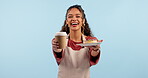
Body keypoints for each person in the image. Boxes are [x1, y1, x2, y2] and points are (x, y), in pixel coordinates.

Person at [52, 5, 102, 78]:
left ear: (83, 21)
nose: (74, 19)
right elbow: (58, 52)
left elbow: (93, 56)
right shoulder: (61, 40)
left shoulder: (90, 41)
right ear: (66, 21)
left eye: (78, 16)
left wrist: (95, 49)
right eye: (70, 16)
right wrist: (56, 48)